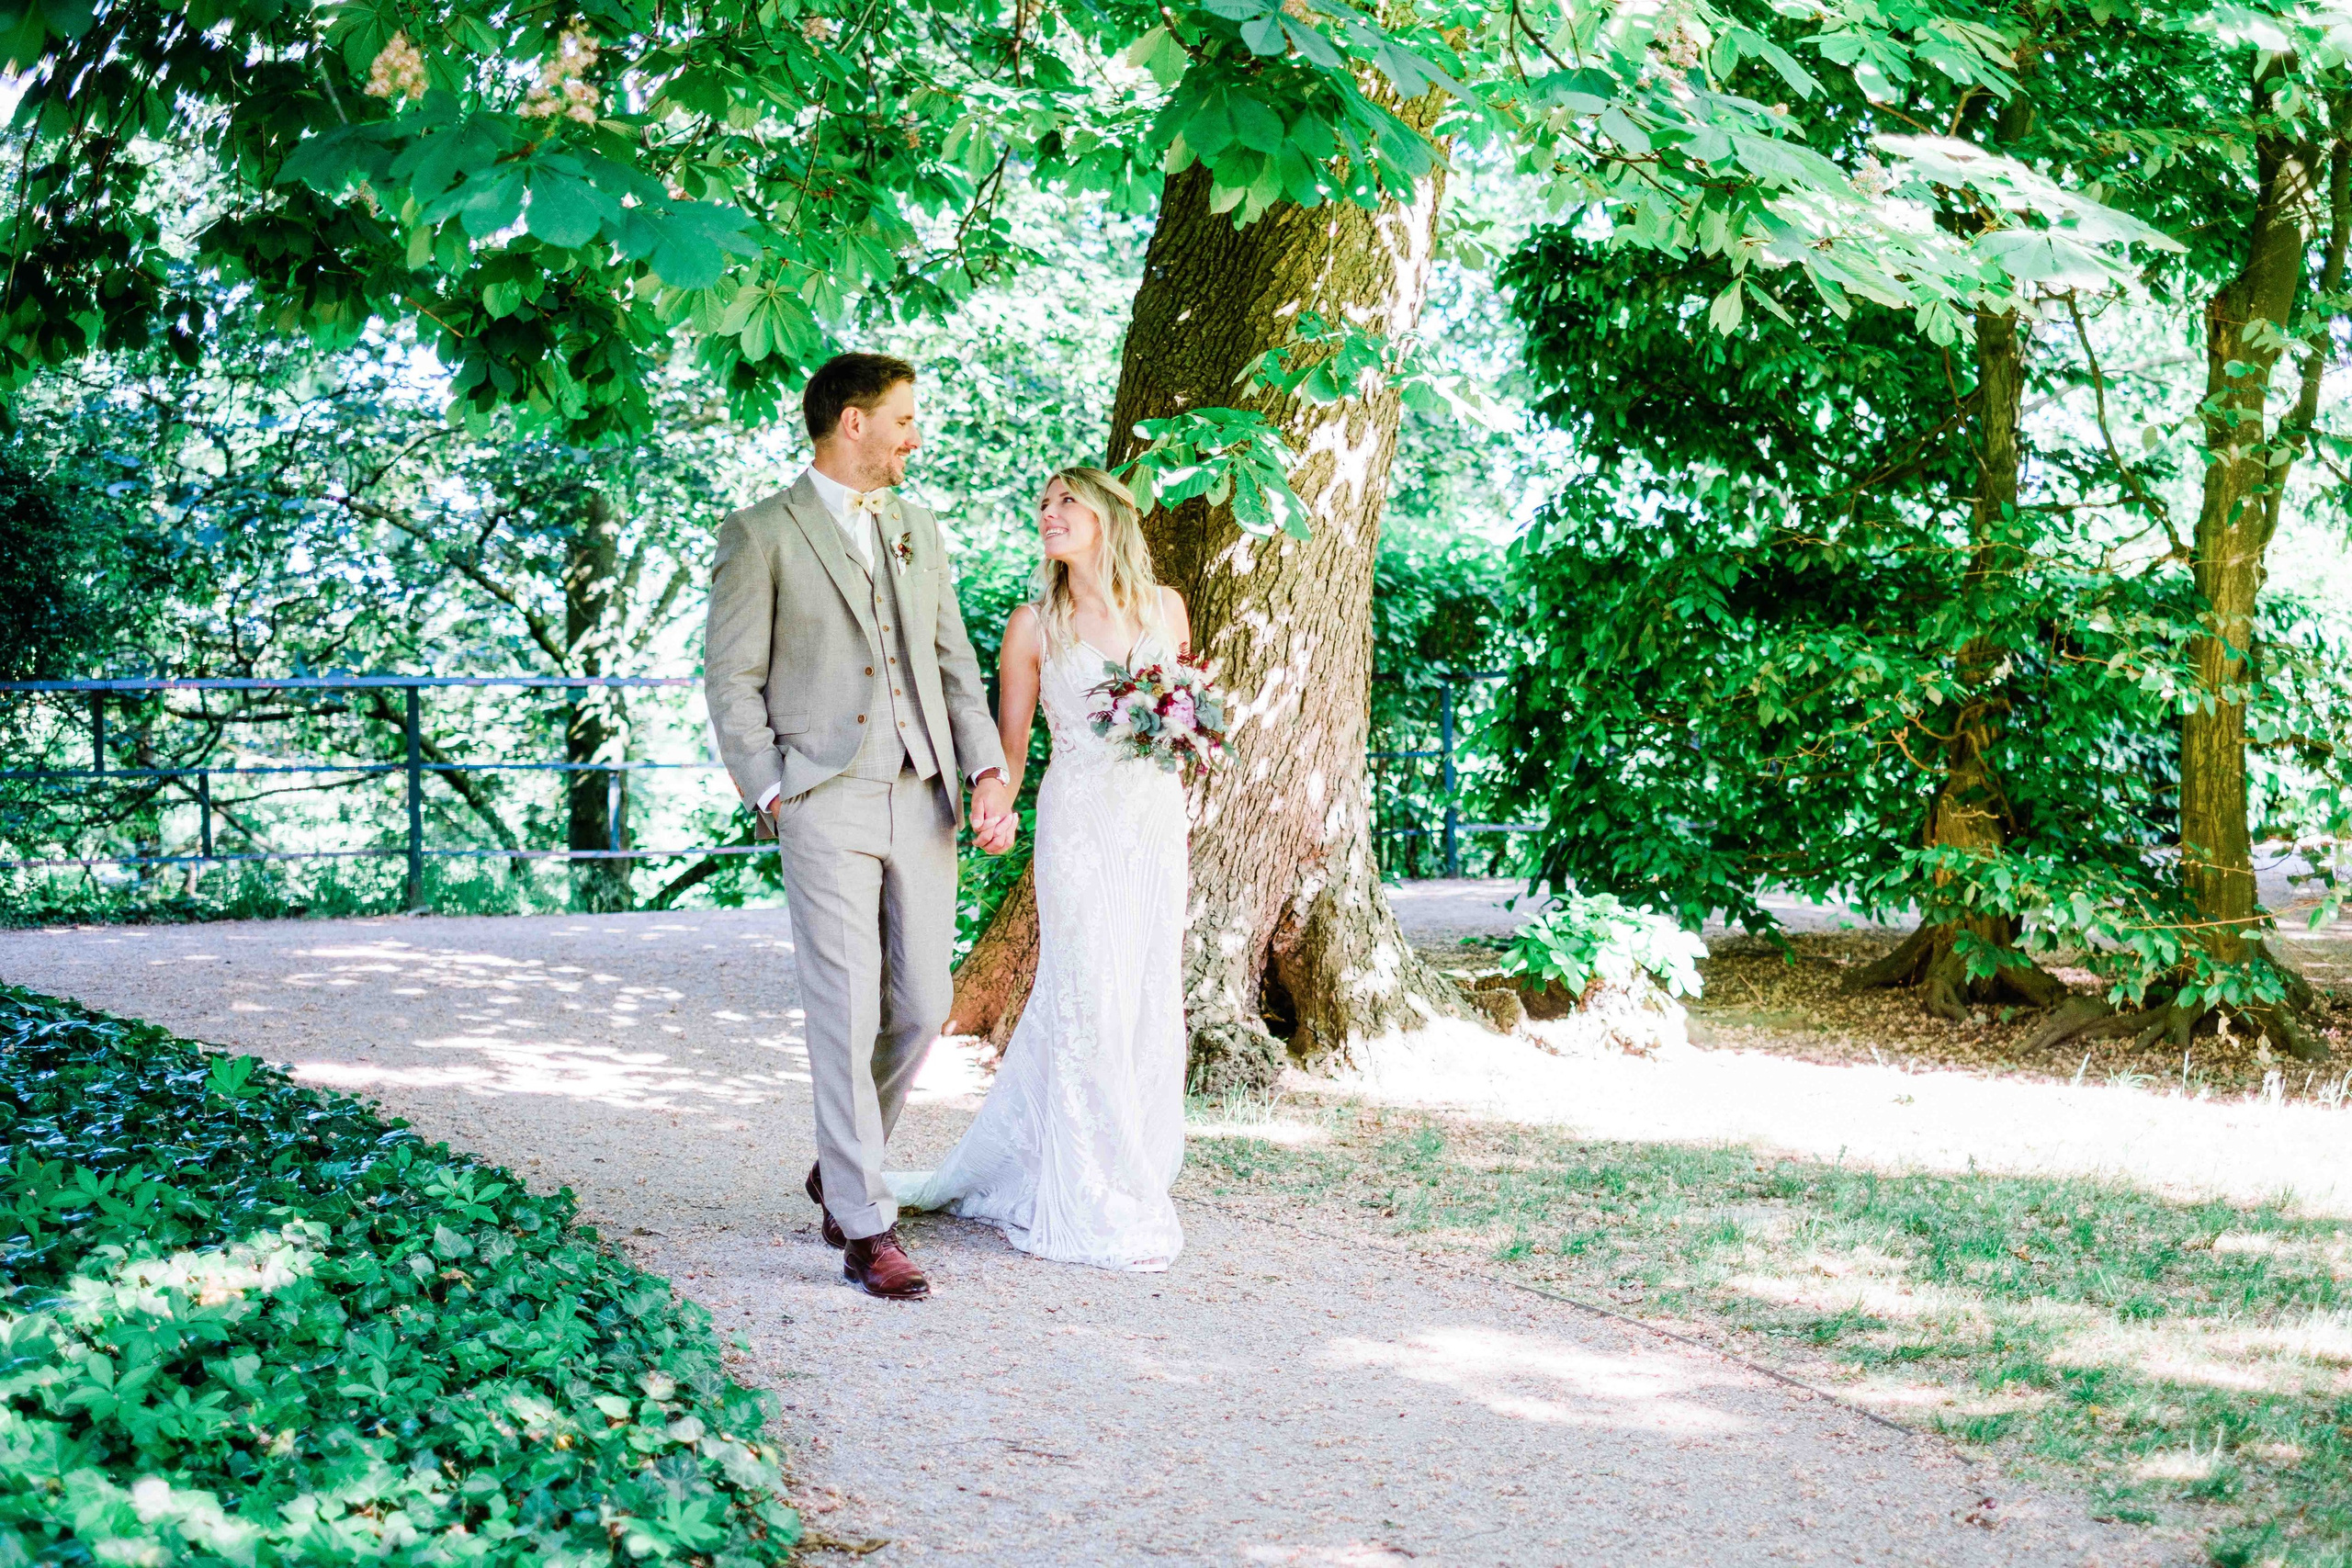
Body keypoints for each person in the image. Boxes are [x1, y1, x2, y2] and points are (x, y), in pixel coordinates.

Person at [703, 353, 1018, 1302]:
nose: (914, 436)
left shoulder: (918, 528)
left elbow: (954, 662)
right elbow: (730, 678)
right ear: (853, 422)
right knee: (844, 1011)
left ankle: (844, 1166)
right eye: (904, 419)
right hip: (821, 796)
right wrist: (770, 789)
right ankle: (865, 1226)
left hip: (921, 794)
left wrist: (987, 768)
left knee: (923, 1005)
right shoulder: (760, 533)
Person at [888, 467, 1191, 1272]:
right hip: (1080, 825)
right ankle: (1089, 1183)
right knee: (1086, 989)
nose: (1049, 515)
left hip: (1156, 826)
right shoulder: (1034, 626)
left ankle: (1138, 1159)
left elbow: (1178, 711)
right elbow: (1010, 752)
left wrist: (1184, 730)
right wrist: (994, 801)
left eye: (1066, 502)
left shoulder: (1166, 609)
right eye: (1043, 505)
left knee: (1145, 988)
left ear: (1106, 516)